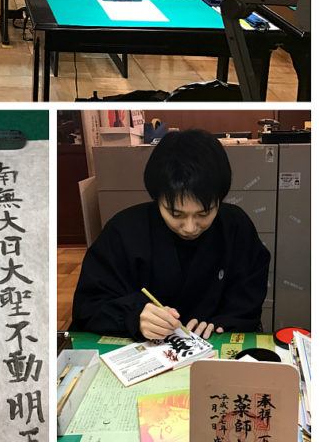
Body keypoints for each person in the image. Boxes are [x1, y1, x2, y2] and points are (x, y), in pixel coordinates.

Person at [71, 129, 270, 341]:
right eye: (176, 214)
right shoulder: (124, 231)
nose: (190, 227)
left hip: (212, 348)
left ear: (220, 200)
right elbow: (88, 306)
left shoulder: (235, 227)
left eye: (204, 213)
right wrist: (133, 316)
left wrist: (223, 322)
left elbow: (248, 299)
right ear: (157, 199)